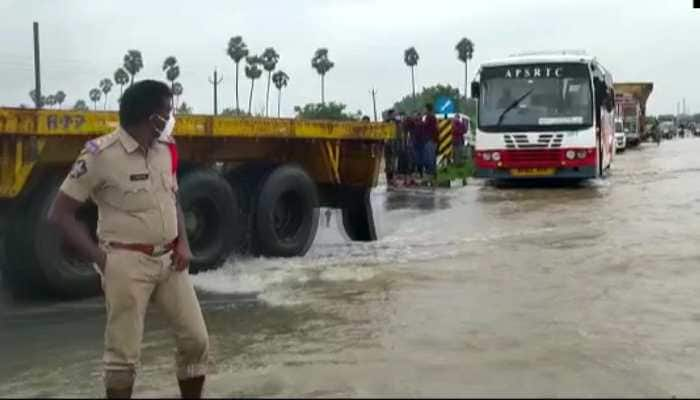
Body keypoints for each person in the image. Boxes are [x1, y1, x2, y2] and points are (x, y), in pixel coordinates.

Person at [47, 80, 209, 399]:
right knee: (123, 358)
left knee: (196, 342)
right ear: (152, 118)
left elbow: (172, 196)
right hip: (125, 263)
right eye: (167, 112)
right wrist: (102, 259)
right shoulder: (100, 155)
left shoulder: (166, 149)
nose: (171, 118)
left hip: (170, 261)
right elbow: (60, 213)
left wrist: (184, 243)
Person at [421, 103, 439, 177]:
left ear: (428, 109)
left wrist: (421, 122)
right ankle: (433, 172)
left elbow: (425, 126)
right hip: (433, 139)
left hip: (430, 139)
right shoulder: (433, 117)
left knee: (430, 157)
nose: (423, 110)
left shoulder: (429, 117)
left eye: (424, 108)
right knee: (432, 157)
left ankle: (431, 173)